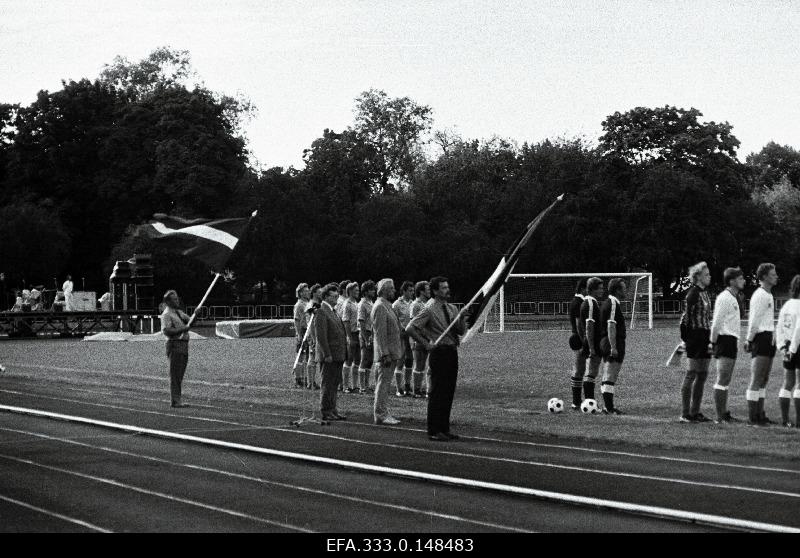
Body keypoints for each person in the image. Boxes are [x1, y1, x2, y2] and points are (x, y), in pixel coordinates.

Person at [406, 276, 467, 441]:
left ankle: (444, 428)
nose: (447, 290)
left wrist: (461, 318)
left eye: (447, 287)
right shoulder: (429, 308)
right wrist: (426, 344)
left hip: (451, 351)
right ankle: (434, 429)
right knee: (437, 392)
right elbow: (411, 328)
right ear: (435, 291)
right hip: (439, 352)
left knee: (448, 391)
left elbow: (461, 332)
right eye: (443, 288)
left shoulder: (452, 308)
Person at [709, 267, 745, 423]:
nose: (743, 280)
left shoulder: (733, 297)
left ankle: (724, 413)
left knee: (726, 379)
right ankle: (720, 416)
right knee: (722, 378)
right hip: (724, 340)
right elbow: (716, 323)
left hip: (731, 340)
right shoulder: (725, 298)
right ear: (732, 281)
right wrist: (712, 342)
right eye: (740, 278)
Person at [678, 262, 713, 423]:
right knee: (691, 373)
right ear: (698, 277)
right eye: (706, 275)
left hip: (705, 337)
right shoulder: (692, 294)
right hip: (694, 338)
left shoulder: (706, 293)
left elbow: (707, 318)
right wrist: (686, 339)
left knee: (703, 374)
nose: (709, 277)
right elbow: (685, 319)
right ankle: (686, 414)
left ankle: (695, 412)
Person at [745, 263, 779, 426]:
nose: (776, 276)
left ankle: (760, 413)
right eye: (773, 274)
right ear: (764, 277)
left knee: (764, 378)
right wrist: (749, 339)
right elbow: (755, 321)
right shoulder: (760, 295)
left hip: (768, 338)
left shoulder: (768, 294)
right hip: (760, 338)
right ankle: (753, 417)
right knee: (757, 377)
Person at [372, 278, 403, 425]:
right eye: (391, 289)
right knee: (383, 384)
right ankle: (381, 414)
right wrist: (385, 353)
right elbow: (380, 333)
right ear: (384, 290)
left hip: (391, 351)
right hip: (386, 353)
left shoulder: (387, 305)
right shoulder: (380, 307)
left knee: (384, 384)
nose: (394, 291)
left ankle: (383, 412)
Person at [314, 283, 348, 422]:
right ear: (326, 296)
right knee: (327, 383)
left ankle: (333, 409)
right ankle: (326, 410)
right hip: (329, 355)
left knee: (334, 383)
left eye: (337, 296)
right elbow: (321, 336)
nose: (336, 298)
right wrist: (326, 354)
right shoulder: (322, 311)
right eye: (334, 296)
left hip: (337, 354)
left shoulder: (333, 311)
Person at [598, 278, 627, 415]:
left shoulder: (609, 303)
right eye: (623, 288)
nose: (625, 290)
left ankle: (607, 407)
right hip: (612, 342)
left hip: (608, 341)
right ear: (617, 290)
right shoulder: (613, 303)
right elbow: (611, 325)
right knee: (610, 375)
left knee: (609, 375)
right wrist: (613, 347)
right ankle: (608, 408)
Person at [160, 290, 192, 408]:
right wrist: (182, 329)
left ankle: (177, 399)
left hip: (184, 345)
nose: (177, 301)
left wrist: (196, 314)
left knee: (180, 374)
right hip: (175, 344)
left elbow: (191, 322)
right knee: (175, 374)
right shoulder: (166, 314)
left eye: (177, 298)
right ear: (168, 301)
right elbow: (167, 331)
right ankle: (175, 401)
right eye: (174, 299)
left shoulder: (179, 312)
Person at [777, 274, 800, 428]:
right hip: (797, 346)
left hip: (787, 345)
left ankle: (785, 420)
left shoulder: (787, 305)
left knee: (787, 383)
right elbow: (799, 329)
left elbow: (779, 327)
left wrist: (782, 348)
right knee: (799, 384)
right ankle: (799, 421)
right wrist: (792, 349)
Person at [576, 277, 604, 406]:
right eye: (600, 288)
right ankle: (590, 402)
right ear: (592, 289)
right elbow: (589, 325)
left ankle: (588, 402)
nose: (602, 290)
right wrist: (592, 347)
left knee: (590, 373)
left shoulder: (587, 302)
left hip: (588, 341)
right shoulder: (591, 303)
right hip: (592, 342)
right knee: (591, 373)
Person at [568, 278, 588, 410]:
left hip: (577, 339)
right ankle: (576, 402)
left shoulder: (576, 302)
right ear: (582, 289)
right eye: (588, 288)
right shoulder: (578, 303)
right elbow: (579, 324)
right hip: (579, 340)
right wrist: (585, 341)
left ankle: (577, 401)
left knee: (580, 370)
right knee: (579, 370)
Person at [392, 280, 415, 397]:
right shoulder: (396, 304)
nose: (412, 293)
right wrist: (402, 329)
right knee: (400, 361)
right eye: (410, 290)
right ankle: (398, 388)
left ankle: (407, 385)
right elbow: (394, 319)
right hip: (401, 335)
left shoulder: (413, 303)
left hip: (410, 336)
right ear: (404, 291)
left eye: (413, 290)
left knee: (410, 360)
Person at [410, 280, 431, 398]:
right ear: (421, 291)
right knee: (418, 364)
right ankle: (415, 390)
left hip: (426, 339)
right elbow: (414, 324)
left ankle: (419, 388)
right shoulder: (415, 304)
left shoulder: (426, 304)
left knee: (423, 364)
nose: (429, 292)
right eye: (427, 289)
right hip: (418, 339)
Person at [341, 282, 361, 393]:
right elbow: (346, 321)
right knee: (348, 359)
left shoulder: (356, 303)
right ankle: (345, 386)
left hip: (358, 333)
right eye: (355, 290)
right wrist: (349, 337)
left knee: (357, 359)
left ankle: (355, 385)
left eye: (358, 290)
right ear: (350, 291)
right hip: (351, 334)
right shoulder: (347, 304)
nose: (357, 292)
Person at [357, 280, 377, 392]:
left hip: (372, 333)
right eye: (371, 289)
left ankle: (367, 383)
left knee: (370, 360)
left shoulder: (371, 303)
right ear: (365, 292)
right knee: (364, 359)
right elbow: (361, 322)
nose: (373, 291)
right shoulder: (362, 304)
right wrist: (365, 338)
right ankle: (362, 387)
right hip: (366, 333)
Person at [292, 283, 311, 389]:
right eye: (306, 290)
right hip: (303, 331)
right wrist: (299, 334)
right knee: (300, 356)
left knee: (307, 356)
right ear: (300, 293)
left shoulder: (307, 303)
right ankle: (298, 378)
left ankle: (305, 377)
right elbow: (297, 320)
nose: (308, 292)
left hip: (308, 331)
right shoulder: (299, 304)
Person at [305, 284, 323, 390]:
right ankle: (310, 382)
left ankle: (312, 382)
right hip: (313, 334)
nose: (321, 294)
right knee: (312, 358)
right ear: (315, 293)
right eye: (320, 292)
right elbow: (310, 324)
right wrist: (314, 338)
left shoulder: (317, 304)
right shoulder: (311, 305)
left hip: (317, 334)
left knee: (316, 358)